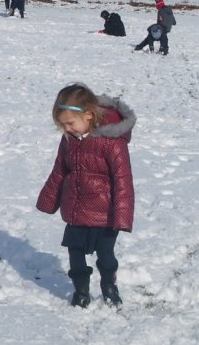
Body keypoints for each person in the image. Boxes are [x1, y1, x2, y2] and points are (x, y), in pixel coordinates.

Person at [36, 83, 135, 308]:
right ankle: (81, 291)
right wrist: (48, 200)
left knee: (106, 257)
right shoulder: (69, 140)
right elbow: (60, 169)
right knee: (75, 255)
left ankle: (109, 285)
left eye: (70, 123)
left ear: (88, 115)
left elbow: (123, 182)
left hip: (105, 215)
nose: (67, 129)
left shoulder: (112, 143)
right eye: (63, 125)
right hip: (76, 210)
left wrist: (122, 217)